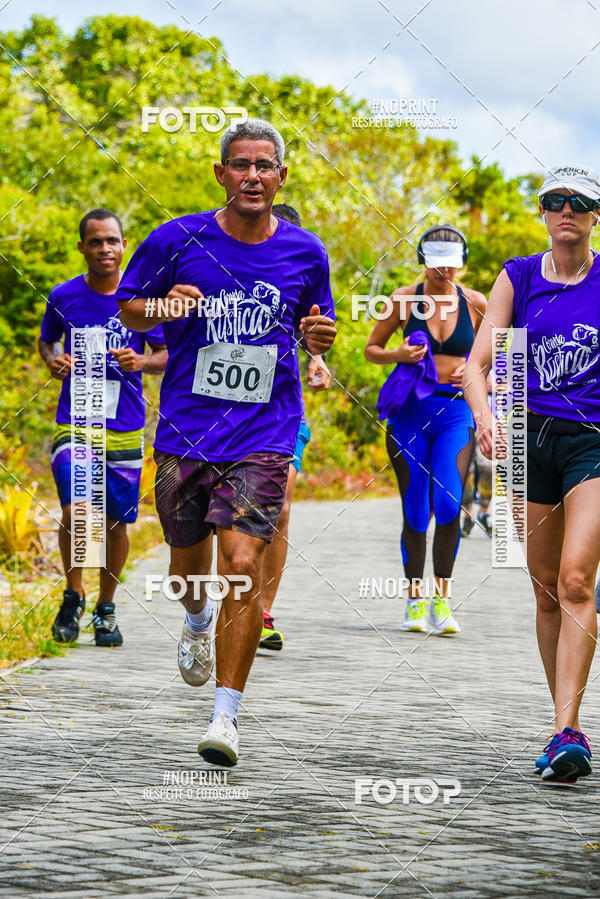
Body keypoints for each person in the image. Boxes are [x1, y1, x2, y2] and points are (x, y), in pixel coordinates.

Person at [116, 119, 336, 766]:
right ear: (221, 174)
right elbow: (129, 306)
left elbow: (313, 327)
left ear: (281, 177)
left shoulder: (306, 252)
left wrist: (319, 341)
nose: (252, 176)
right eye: (240, 165)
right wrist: (164, 309)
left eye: (264, 166)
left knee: (242, 562)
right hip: (188, 429)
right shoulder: (176, 239)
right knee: (189, 570)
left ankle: (225, 716)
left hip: (264, 432)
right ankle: (194, 618)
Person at [464, 164, 600, 783]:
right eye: (554, 201)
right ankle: (561, 725)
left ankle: (570, 731)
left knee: (576, 579)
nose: (565, 211)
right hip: (526, 438)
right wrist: (485, 415)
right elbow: (479, 364)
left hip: (592, 442)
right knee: (546, 588)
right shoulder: (518, 278)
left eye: (579, 202)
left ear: (595, 214)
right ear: (543, 213)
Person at [39, 209, 167, 647]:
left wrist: (142, 361)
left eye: (112, 241)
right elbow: (47, 339)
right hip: (75, 421)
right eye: (95, 242)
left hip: (125, 426)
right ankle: (73, 596)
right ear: (82, 248)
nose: (104, 249)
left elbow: (166, 355)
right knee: (79, 510)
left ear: (124, 245)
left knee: (115, 522)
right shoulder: (64, 295)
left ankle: (105, 609)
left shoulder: (140, 299)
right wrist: (53, 360)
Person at [365, 226, 486, 635]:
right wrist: (398, 353)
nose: (444, 269)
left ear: (461, 260)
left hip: (456, 414)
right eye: (436, 260)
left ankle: (442, 599)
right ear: (423, 258)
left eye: (451, 260)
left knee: (449, 503)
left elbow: (502, 357)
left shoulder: (476, 303)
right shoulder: (402, 299)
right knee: (416, 508)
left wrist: (480, 377)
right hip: (410, 414)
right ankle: (414, 601)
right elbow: (372, 349)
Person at [258, 202, 333, 651]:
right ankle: (222, 605)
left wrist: (319, 363)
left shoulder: (302, 267)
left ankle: (263, 612)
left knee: (279, 506)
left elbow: (314, 330)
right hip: (218, 414)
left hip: (282, 411)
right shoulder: (222, 260)